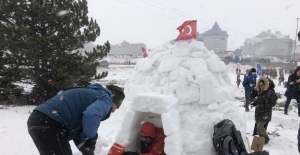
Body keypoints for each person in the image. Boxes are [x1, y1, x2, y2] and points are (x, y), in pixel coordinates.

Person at [27, 84, 125, 155]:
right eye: (117, 107)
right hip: (51, 122)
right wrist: (91, 139)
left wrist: (86, 149)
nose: (114, 111)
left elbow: (78, 131)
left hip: (37, 120)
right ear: (114, 100)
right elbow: (91, 115)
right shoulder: (106, 99)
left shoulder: (91, 96)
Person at [250, 76, 277, 144]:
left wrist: (264, 106)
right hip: (259, 112)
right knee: (258, 128)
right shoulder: (260, 91)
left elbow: (273, 103)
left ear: (265, 85)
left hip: (266, 113)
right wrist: (254, 103)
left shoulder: (269, 92)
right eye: (259, 85)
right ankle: (261, 139)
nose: (260, 86)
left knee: (260, 126)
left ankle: (266, 138)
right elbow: (258, 99)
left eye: (262, 85)